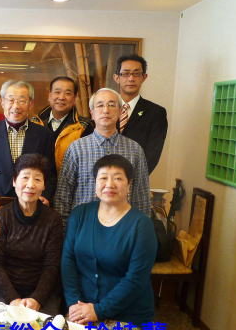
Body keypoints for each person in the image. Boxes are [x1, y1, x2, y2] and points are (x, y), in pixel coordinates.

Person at [61, 154, 157, 330]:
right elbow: (68, 261)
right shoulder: (80, 214)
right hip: (81, 308)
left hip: (128, 315)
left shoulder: (142, 225)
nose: (109, 184)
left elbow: (136, 279)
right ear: (95, 183)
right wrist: (73, 304)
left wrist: (98, 310)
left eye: (118, 178)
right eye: (103, 177)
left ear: (129, 184)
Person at [54, 88, 151, 221]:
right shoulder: (76, 148)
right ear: (92, 113)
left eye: (111, 105)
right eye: (100, 105)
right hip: (83, 224)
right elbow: (63, 195)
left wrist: (141, 228)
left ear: (120, 111)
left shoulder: (135, 150)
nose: (106, 110)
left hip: (123, 226)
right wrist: (65, 229)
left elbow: (142, 197)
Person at [0, 154, 63, 314]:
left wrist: (36, 299)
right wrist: (13, 299)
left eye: (37, 179)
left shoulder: (53, 219)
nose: (30, 185)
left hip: (43, 293)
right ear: (14, 181)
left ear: (44, 185)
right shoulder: (1, 216)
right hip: (5, 292)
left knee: (44, 328)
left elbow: (52, 265)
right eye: (25, 177)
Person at [0, 80, 56, 212]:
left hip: (31, 203)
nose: (16, 106)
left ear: (30, 104)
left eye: (22, 101)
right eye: (10, 100)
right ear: (2, 102)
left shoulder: (44, 134)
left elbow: (50, 174)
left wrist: (45, 196)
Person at [114, 54, 168, 174]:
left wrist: (130, 179)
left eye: (136, 74)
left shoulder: (156, 113)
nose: (131, 78)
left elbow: (152, 154)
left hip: (135, 179)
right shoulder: (105, 108)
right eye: (125, 73)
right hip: (101, 179)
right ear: (117, 77)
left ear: (144, 77)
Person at [37, 76, 93, 172]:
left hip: (69, 180)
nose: (61, 97)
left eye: (68, 93)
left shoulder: (85, 127)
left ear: (75, 98)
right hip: (37, 180)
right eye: (57, 92)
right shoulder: (34, 122)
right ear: (49, 95)